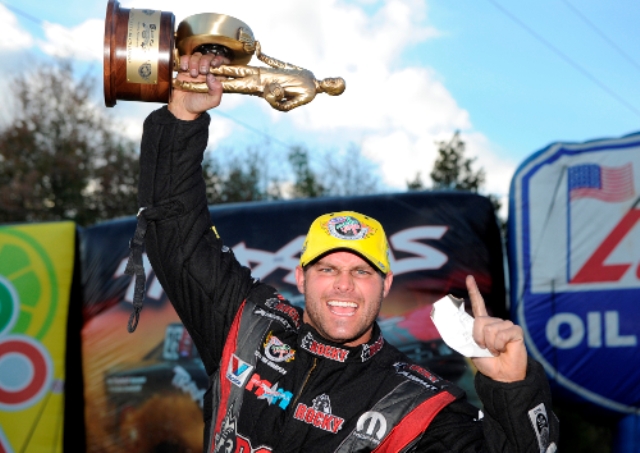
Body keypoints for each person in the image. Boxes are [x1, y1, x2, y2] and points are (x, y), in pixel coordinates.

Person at [127, 51, 559, 452]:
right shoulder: (247, 325)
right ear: (300, 276)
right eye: (328, 267)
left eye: (363, 271)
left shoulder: (416, 402)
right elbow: (176, 234)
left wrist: (513, 392)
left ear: (386, 283)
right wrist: (182, 117)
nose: (344, 285)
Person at [172, 42, 346, 111]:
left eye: (334, 84)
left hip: (258, 86)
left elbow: (285, 106)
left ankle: (177, 84)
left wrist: (272, 97)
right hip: (258, 71)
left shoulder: (308, 94)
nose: (331, 80)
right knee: (220, 68)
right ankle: (176, 64)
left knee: (217, 85)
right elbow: (282, 65)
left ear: (331, 91)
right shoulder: (309, 73)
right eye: (335, 78)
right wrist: (262, 56)